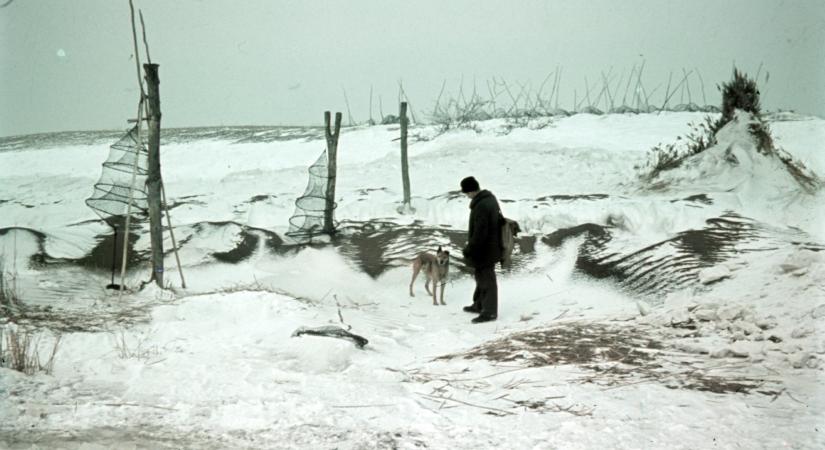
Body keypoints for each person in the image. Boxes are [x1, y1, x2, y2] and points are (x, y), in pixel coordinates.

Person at [460, 176, 501, 323]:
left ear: (471, 190)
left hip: (485, 250)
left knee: (487, 279)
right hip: (490, 247)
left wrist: (470, 249)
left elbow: (480, 232)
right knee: (480, 276)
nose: (467, 196)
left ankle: (489, 312)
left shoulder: (481, 205)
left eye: (467, 193)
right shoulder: (489, 199)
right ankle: (479, 305)